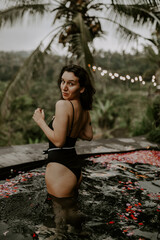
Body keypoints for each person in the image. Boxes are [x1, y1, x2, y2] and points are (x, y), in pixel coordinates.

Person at [32, 64, 95, 199]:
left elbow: (59, 142)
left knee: (60, 216)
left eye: (71, 84)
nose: (64, 87)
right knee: (72, 213)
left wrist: (40, 121)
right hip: (75, 168)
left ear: (82, 88)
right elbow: (88, 136)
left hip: (60, 168)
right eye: (63, 81)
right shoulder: (84, 108)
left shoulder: (62, 104)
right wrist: (67, 127)